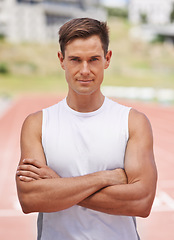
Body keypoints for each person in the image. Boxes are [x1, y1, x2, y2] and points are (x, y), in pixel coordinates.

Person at [16, 18, 157, 240]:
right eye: (75, 60)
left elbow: (141, 201)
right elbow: (30, 199)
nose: (85, 70)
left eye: (93, 59)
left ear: (107, 59)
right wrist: (104, 178)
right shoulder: (37, 124)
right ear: (61, 60)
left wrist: (57, 186)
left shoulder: (132, 122)